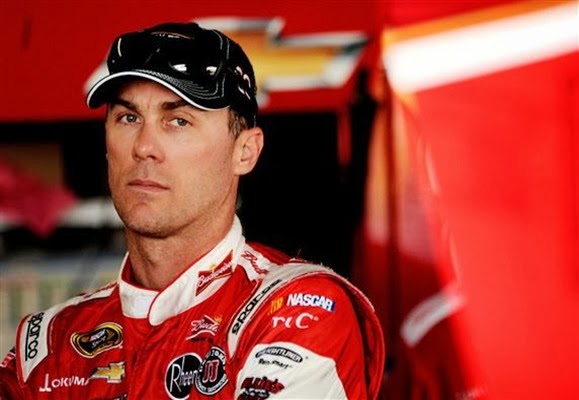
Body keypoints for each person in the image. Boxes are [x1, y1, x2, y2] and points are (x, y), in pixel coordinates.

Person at [0, 21, 385, 399]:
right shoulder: (51, 341)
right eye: (129, 117)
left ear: (245, 151)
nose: (144, 147)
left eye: (178, 121)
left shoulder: (298, 309)